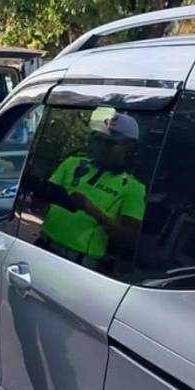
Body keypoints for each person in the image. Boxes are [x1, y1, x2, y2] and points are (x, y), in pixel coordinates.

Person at [36, 110, 146, 271]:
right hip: (41, 247)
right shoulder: (73, 163)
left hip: (79, 265)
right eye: (99, 140)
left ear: (129, 147)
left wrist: (92, 210)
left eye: (110, 143)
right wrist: (40, 199)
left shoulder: (134, 187)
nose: (102, 147)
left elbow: (128, 239)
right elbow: (44, 202)